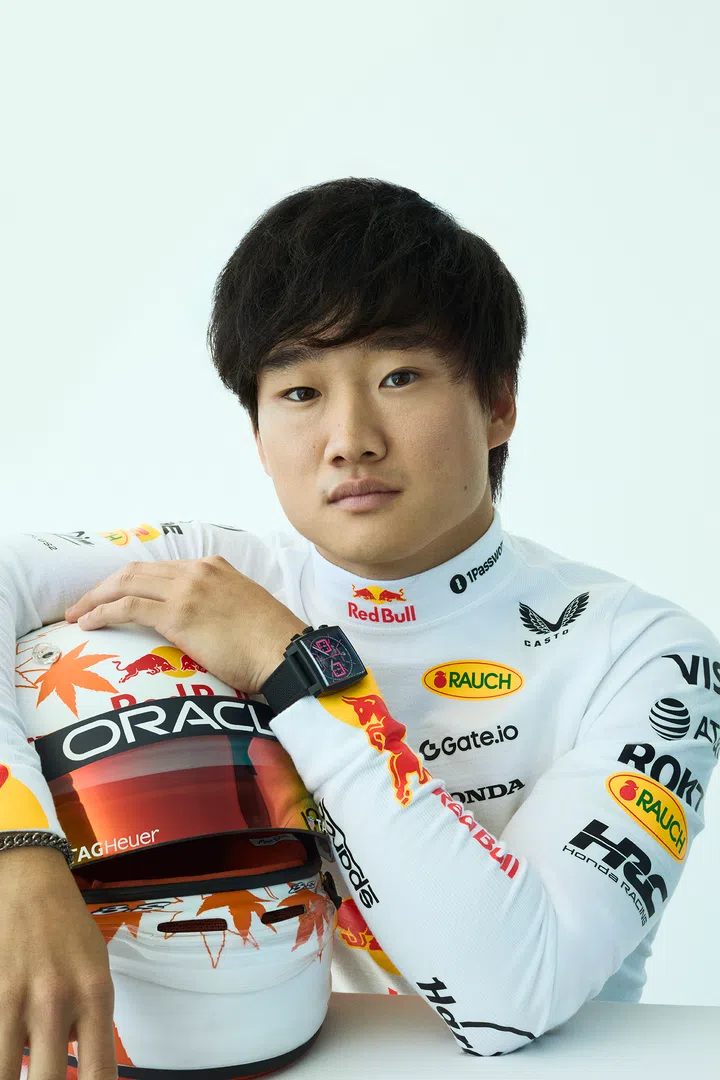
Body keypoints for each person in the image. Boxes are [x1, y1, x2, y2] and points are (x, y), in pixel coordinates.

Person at [1, 177, 718, 1072]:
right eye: (300, 393)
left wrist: (295, 669)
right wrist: (19, 854)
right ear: (258, 438)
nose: (350, 439)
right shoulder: (221, 570)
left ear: (498, 403)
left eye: (398, 377)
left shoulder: (649, 655)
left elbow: (510, 1001)